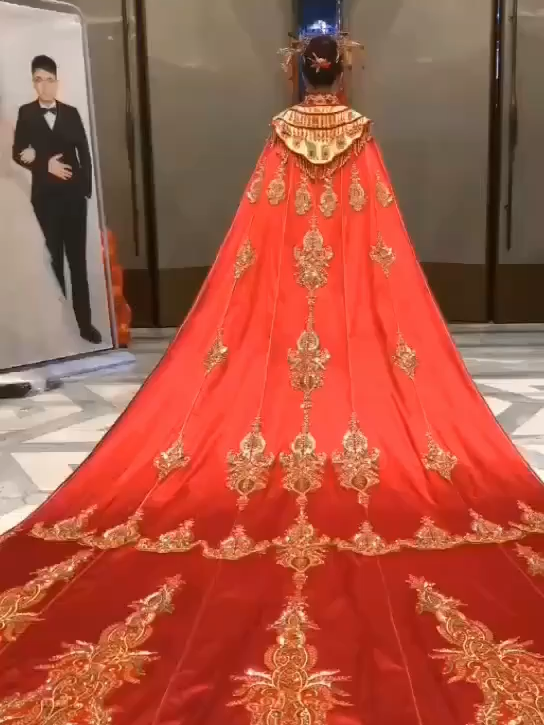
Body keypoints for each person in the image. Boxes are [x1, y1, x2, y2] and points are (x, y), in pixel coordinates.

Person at [0, 34, 543, 725]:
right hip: (350, 316)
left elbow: (254, 241)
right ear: (341, 72)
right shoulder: (362, 137)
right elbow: (381, 240)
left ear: (300, 74)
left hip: (283, 320)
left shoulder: (281, 136)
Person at [12, 54, 102, 344]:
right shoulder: (26, 113)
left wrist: (85, 190)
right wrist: (43, 164)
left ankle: (85, 325)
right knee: (53, 263)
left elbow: (84, 153)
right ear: (33, 83)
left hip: (74, 199)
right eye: (38, 80)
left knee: (77, 262)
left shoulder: (71, 113)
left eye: (49, 80)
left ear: (57, 82)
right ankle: (62, 327)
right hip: (45, 199)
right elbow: (18, 153)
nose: (45, 86)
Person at [0, 114, 88, 369]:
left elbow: (18, 158)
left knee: (23, 273)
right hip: (10, 198)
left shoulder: (8, 124)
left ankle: (25, 347)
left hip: (10, 201)